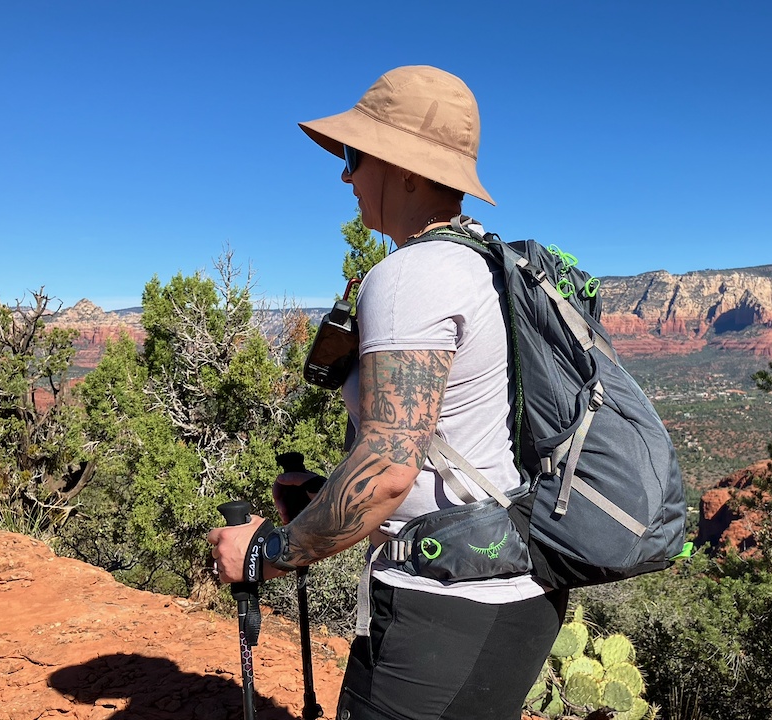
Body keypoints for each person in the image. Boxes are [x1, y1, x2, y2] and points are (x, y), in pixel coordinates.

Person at [207, 65, 567, 720]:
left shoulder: (411, 275)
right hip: (500, 593)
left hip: (445, 612)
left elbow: (388, 470)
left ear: (404, 168)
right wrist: (328, 499)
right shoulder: (486, 263)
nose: (345, 177)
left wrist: (266, 553)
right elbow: (453, 442)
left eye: (354, 155)